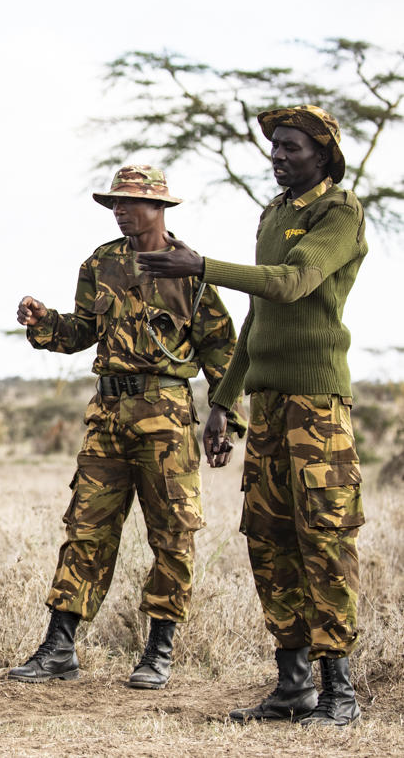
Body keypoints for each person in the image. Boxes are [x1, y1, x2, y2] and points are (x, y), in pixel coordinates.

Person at [137, 105, 367, 727]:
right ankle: (292, 687)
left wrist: (202, 266)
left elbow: (292, 283)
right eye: (276, 147)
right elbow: (258, 320)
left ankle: (339, 692)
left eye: (293, 147)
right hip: (264, 407)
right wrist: (223, 401)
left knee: (324, 540)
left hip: (316, 405)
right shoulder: (274, 214)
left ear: (322, 155)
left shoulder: (339, 211)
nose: (280, 155)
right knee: (268, 540)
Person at [9, 166, 243, 691]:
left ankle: (158, 651)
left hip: (166, 416)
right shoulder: (101, 262)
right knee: (86, 530)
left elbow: (222, 349)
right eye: (114, 202)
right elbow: (81, 332)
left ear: (161, 207)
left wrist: (225, 413)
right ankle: (58, 648)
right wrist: (44, 321)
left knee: (173, 536)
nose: (119, 210)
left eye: (131, 202)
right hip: (107, 417)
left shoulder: (190, 268)